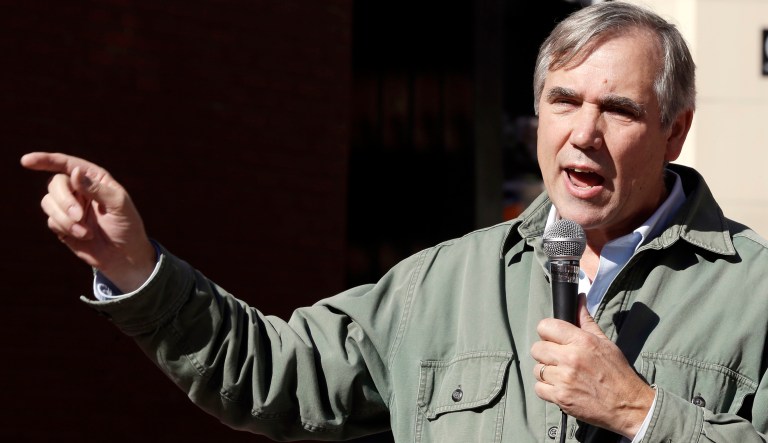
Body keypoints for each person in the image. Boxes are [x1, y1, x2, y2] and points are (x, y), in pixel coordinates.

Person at [21, 2, 768, 442]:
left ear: (674, 132)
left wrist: (641, 412)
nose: (584, 133)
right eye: (565, 101)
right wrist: (134, 267)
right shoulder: (443, 282)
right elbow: (272, 373)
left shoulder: (754, 295)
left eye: (619, 110)